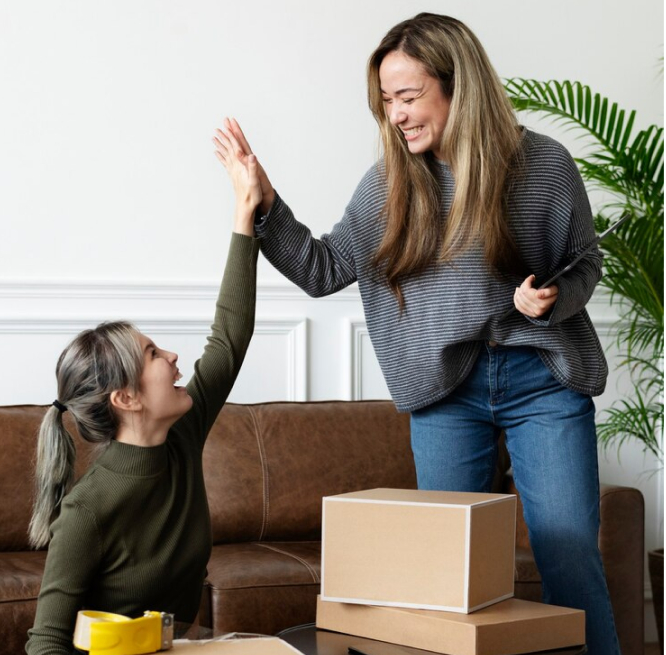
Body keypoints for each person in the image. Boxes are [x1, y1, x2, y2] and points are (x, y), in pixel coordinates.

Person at [217, 13, 621, 655]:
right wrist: (266, 203)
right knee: (447, 582)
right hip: (445, 393)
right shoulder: (391, 184)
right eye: (387, 101)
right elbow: (322, 269)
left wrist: (551, 298)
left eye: (409, 97)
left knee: (570, 560)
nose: (397, 115)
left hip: (542, 382)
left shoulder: (542, 165)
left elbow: (584, 262)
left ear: (459, 88)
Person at [25, 140, 263, 655]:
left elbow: (229, 337)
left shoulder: (182, 434)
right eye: (154, 354)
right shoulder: (87, 512)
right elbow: (45, 644)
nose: (174, 357)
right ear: (126, 398)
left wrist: (245, 212)